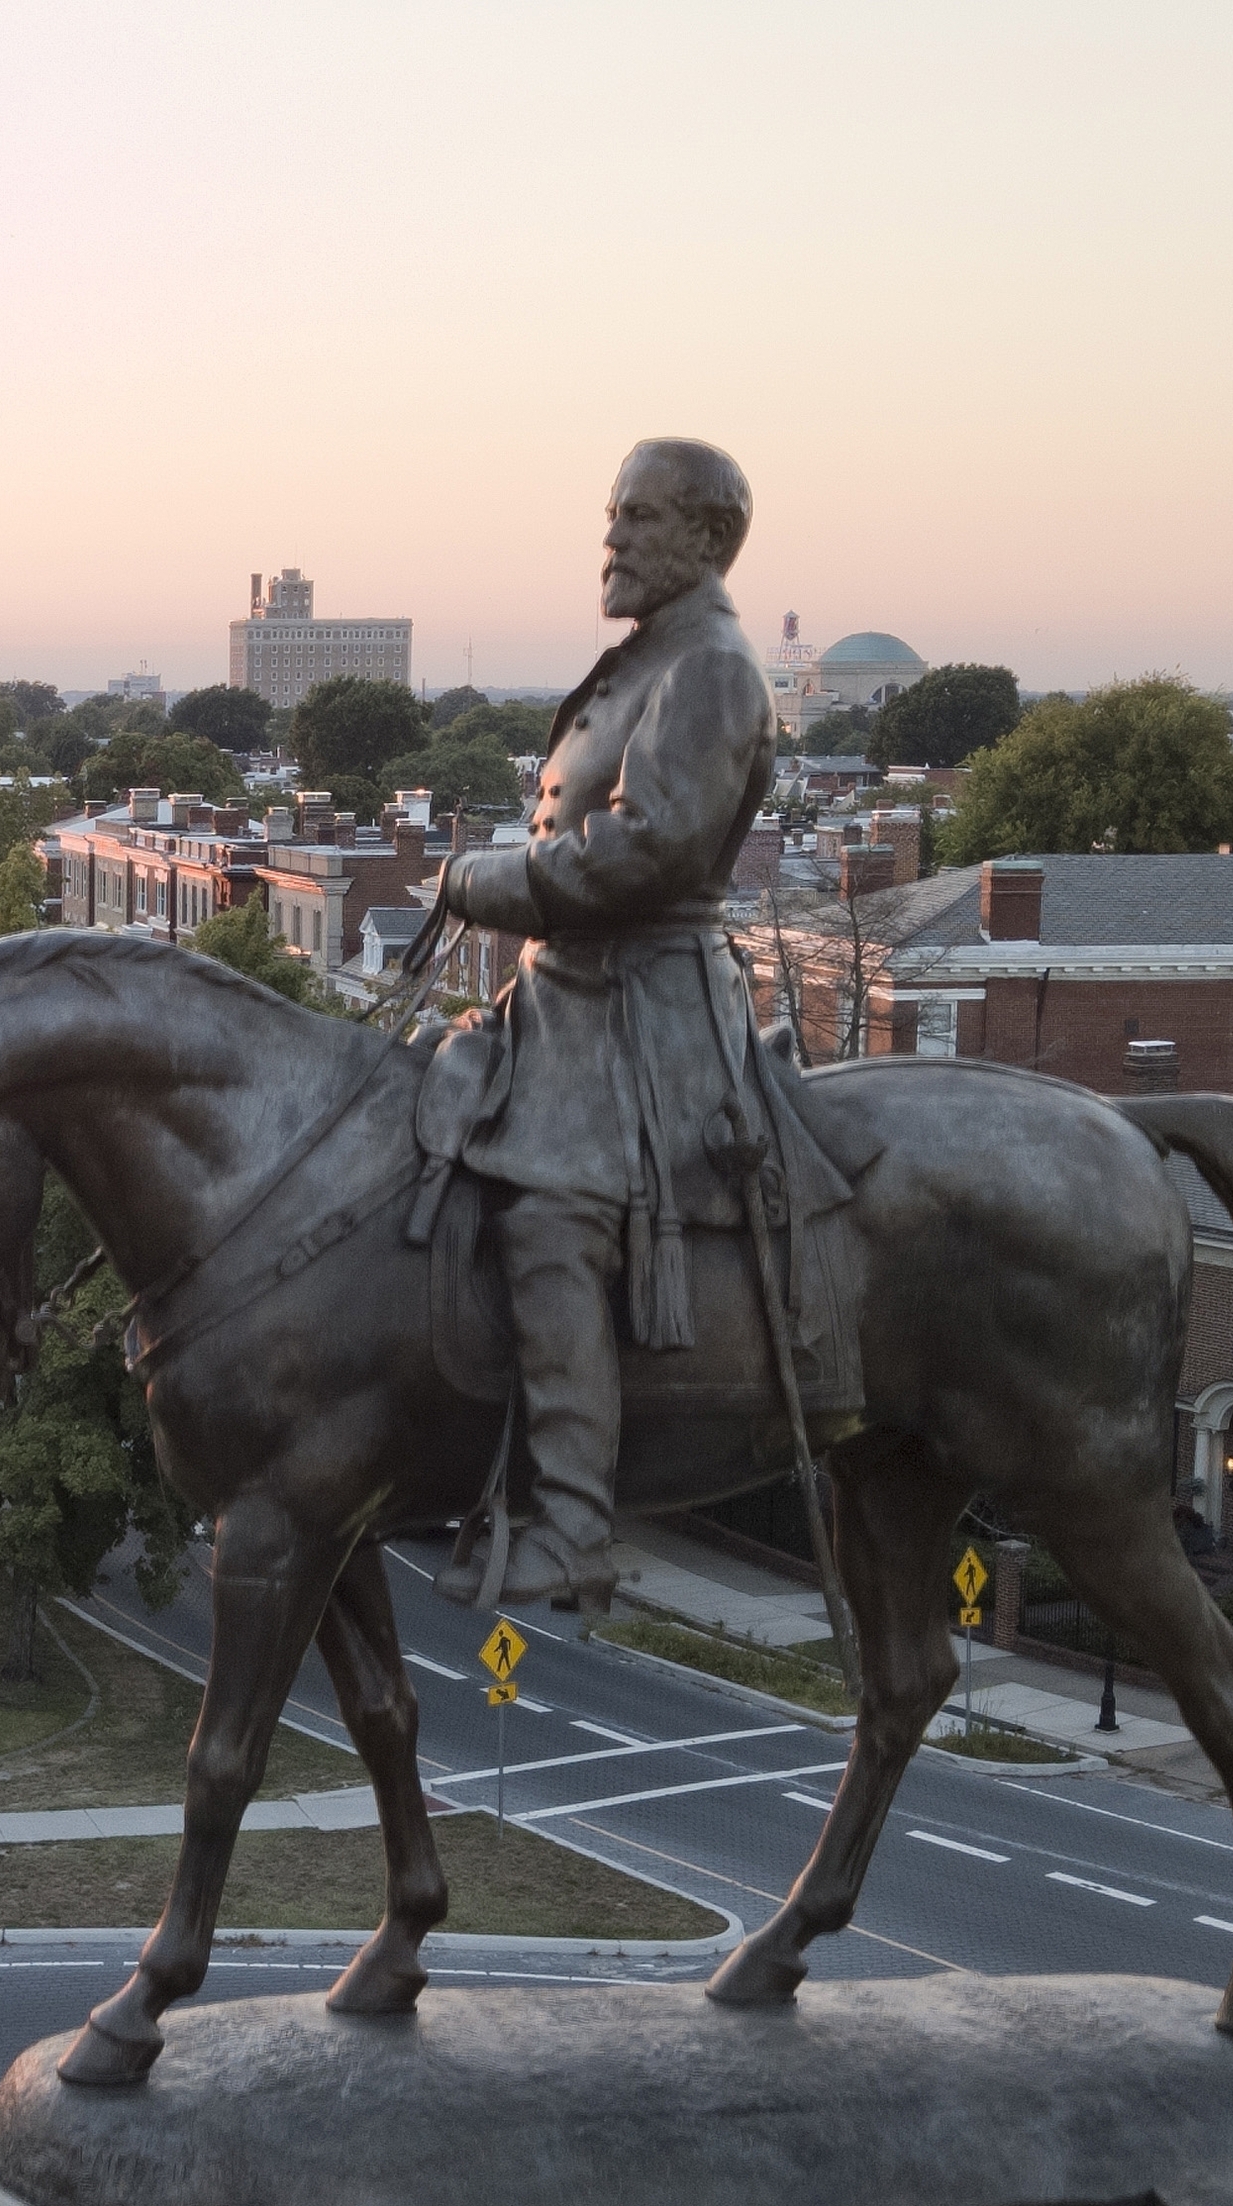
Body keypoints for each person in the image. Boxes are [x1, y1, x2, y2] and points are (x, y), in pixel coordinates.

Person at [414, 438, 803, 1615]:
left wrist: (487, 879)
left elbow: (648, 849)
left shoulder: (714, 671)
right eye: (612, 514)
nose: (613, 537)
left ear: (704, 538)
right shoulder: (647, 662)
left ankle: (575, 1523)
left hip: (646, 1012)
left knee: (550, 1215)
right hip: (565, 991)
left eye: (638, 517)